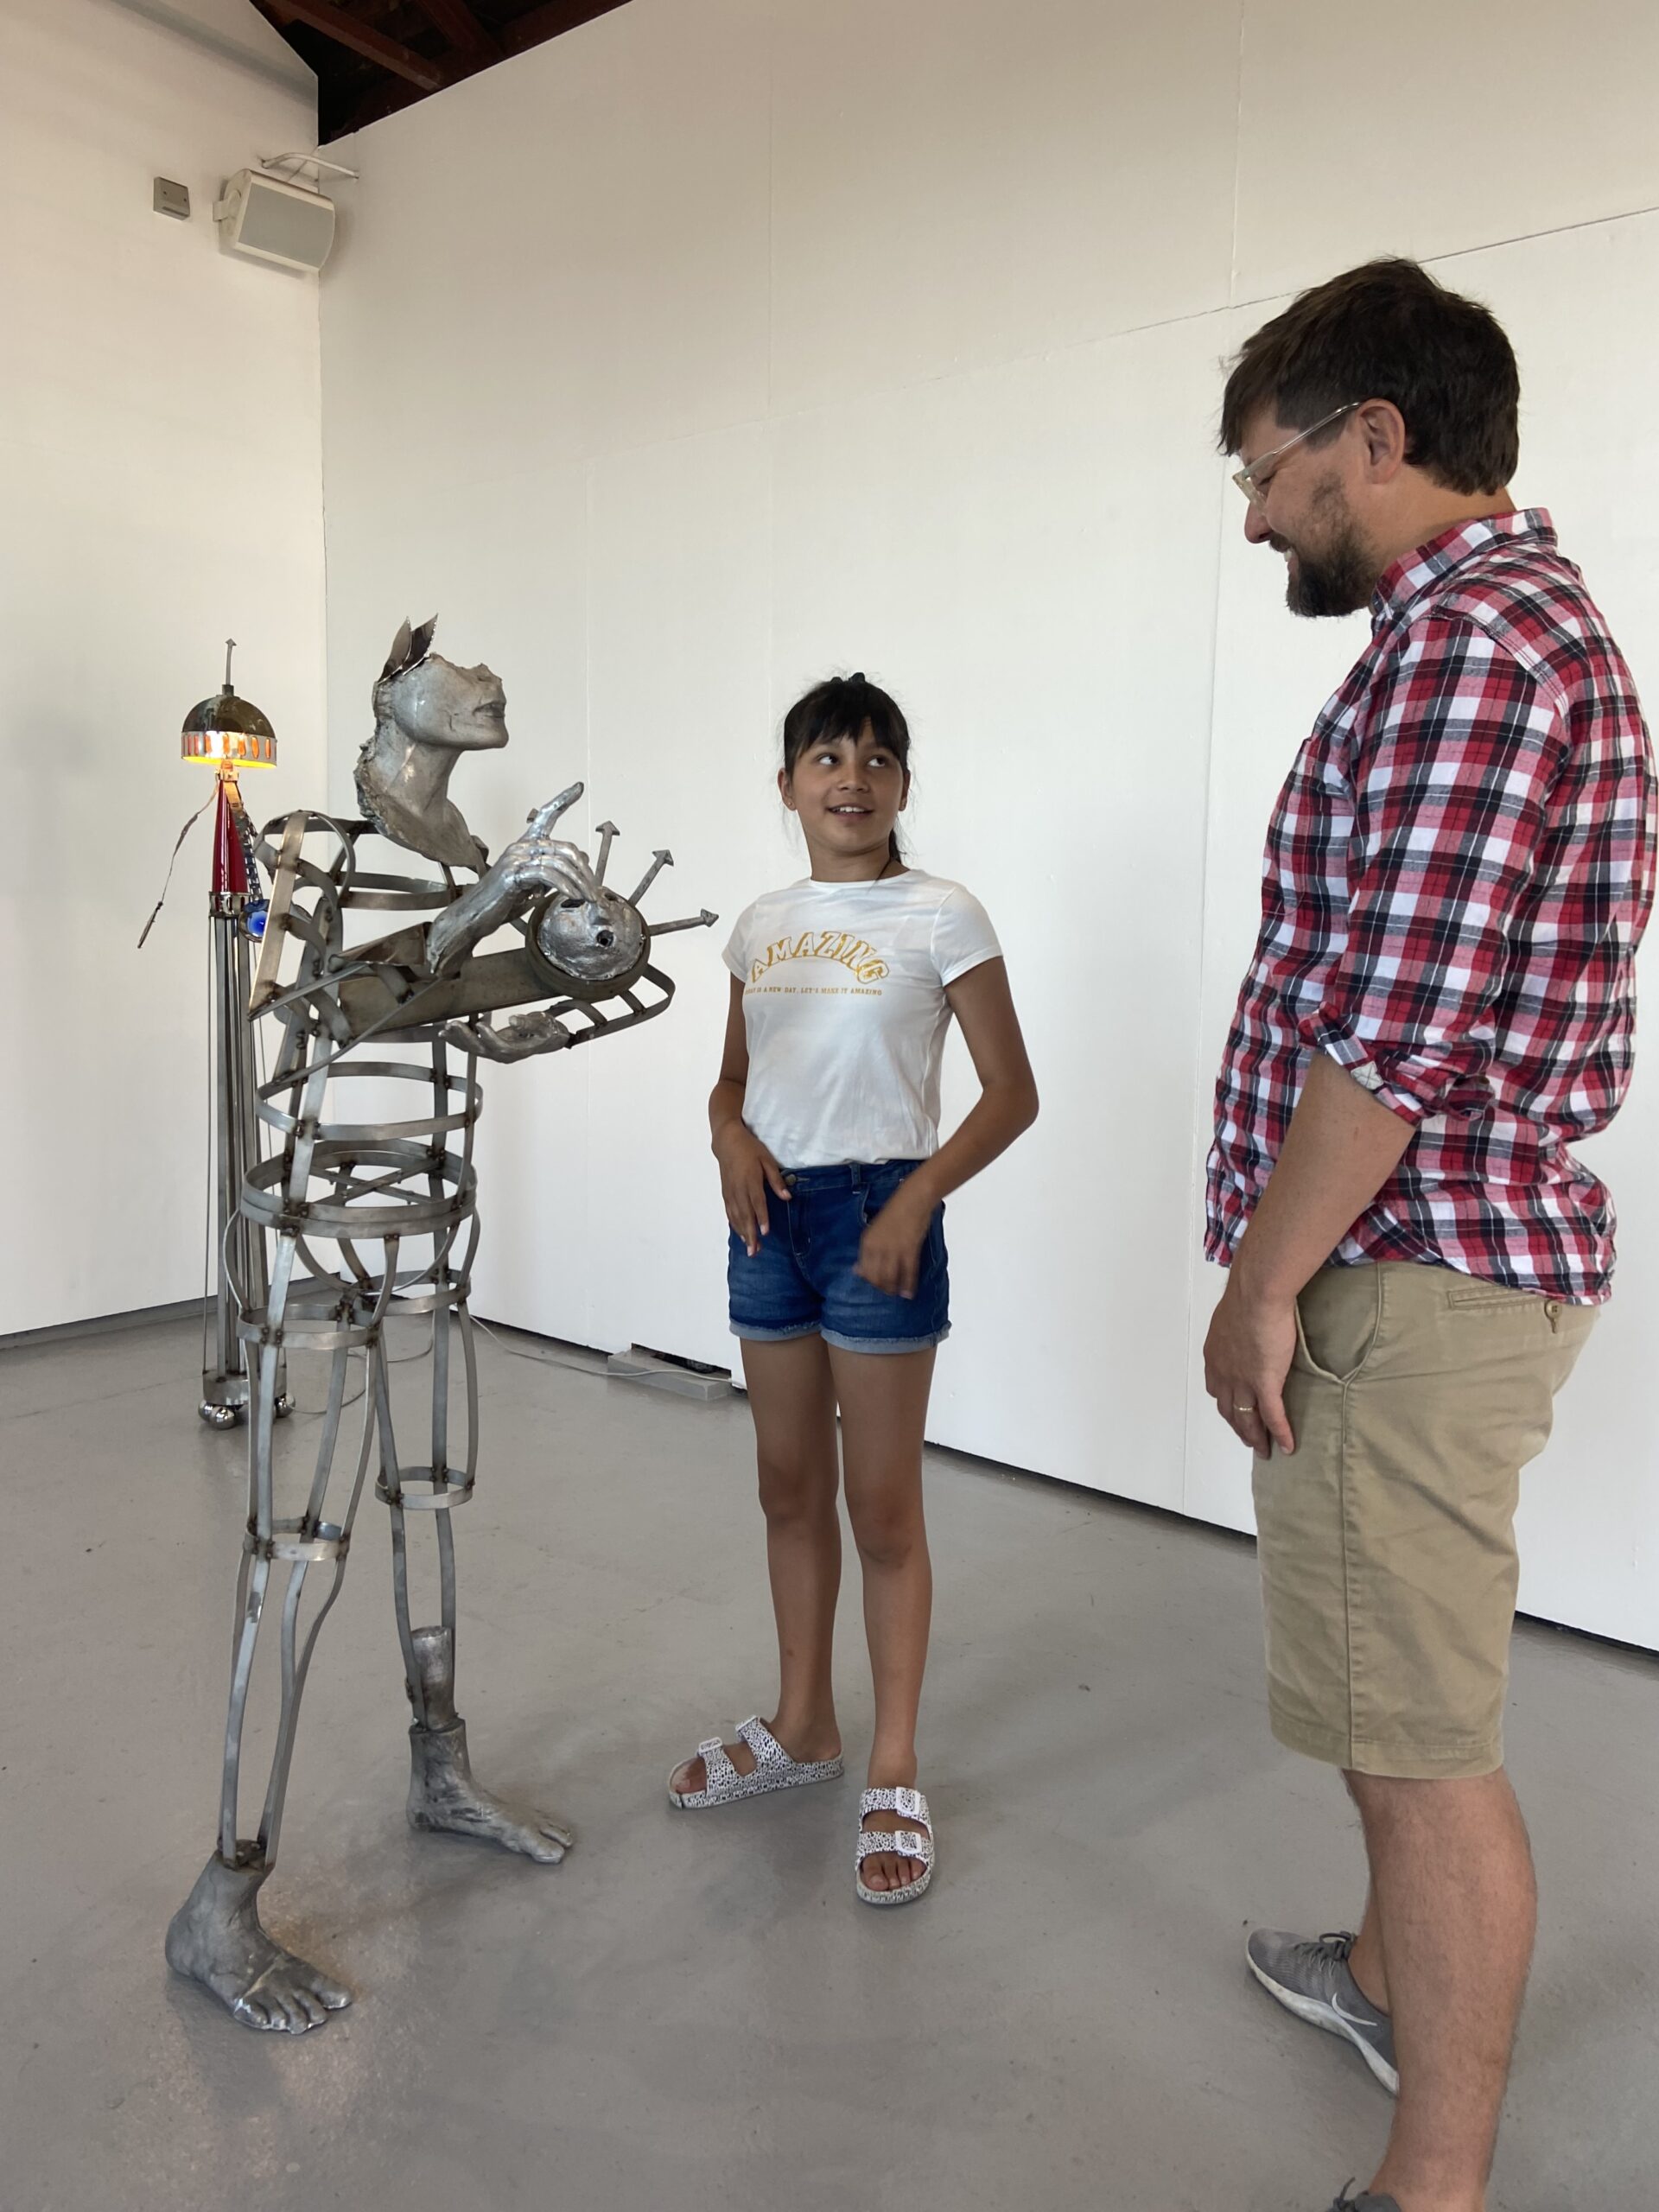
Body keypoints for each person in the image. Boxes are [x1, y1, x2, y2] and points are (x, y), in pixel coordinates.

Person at [1205, 260, 1656, 2212]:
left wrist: (1263, 1276)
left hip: (1409, 1266)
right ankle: (1384, 1976)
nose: (1255, 515)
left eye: (1271, 469)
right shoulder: (1490, 633)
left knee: (1421, 1744)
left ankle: (1433, 2182)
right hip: (1434, 1258)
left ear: (1374, 438)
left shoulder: (1477, 649)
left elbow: (1393, 1029)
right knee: (1387, 1694)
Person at [667, 671, 1038, 1904]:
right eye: (828, 759)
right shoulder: (761, 925)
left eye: (879, 761)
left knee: (882, 1510)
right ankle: (802, 1726)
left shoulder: (943, 916)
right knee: (786, 1489)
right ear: (787, 786)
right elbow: (733, 1080)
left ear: (904, 787)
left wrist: (918, 1198)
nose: (853, 780)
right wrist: (727, 1137)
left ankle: (891, 1763)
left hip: (881, 1211)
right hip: (768, 1216)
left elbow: (1010, 1094)